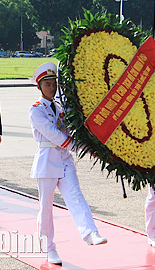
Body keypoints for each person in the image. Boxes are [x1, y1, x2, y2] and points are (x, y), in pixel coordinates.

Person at [29, 62, 107, 265]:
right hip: (47, 161)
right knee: (46, 208)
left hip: (64, 159)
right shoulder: (36, 110)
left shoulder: (62, 106)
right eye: (47, 84)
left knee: (75, 195)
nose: (52, 88)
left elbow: (73, 129)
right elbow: (53, 134)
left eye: (54, 84)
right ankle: (49, 248)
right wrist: (82, 149)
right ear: (39, 87)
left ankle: (90, 232)